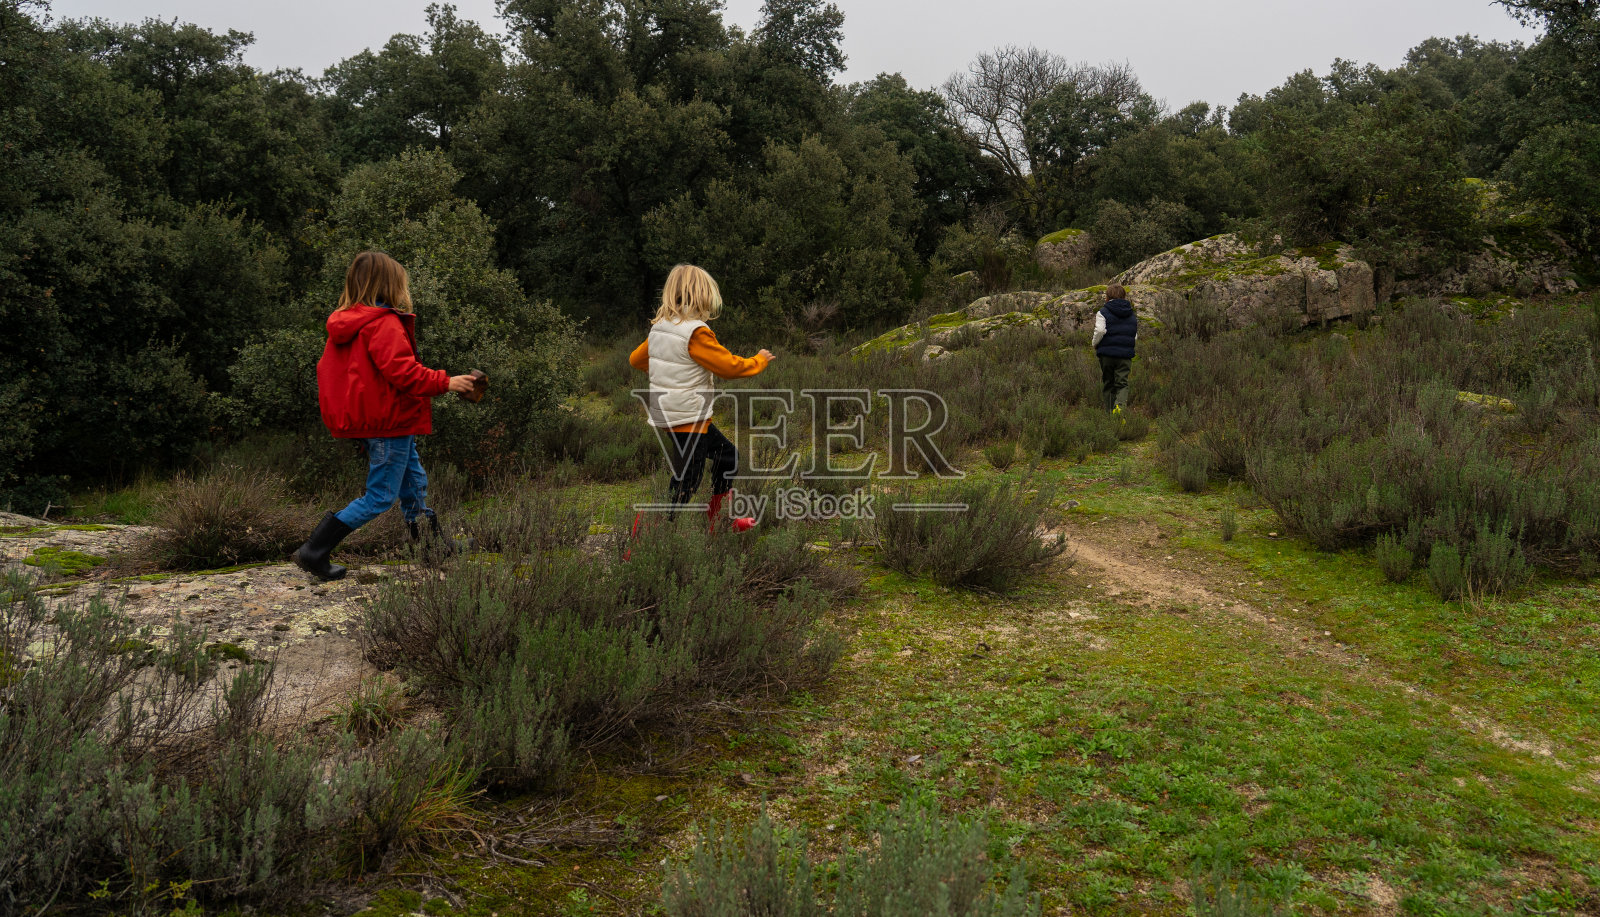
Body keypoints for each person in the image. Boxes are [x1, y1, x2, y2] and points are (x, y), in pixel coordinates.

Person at [291, 250, 480, 581]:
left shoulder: (350, 323)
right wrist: (446, 382)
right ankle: (314, 550)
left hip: (382, 421)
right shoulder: (383, 323)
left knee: (414, 483)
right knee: (379, 497)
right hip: (388, 422)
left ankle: (431, 547)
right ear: (390, 285)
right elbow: (403, 373)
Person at [629, 264, 774, 532]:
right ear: (702, 295)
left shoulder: (661, 328)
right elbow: (729, 367)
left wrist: (667, 369)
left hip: (674, 415)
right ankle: (646, 533)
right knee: (687, 481)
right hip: (687, 418)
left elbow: (636, 360)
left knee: (728, 457)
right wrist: (759, 360)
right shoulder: (695, 332)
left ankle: (718, 522)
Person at [1092, 283, 1137, 414]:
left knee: (1108, 383)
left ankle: (1109, 414)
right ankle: (1119, 410)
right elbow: (1134, 335)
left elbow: (1100, 330)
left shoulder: (1103, 312)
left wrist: (1095, 343)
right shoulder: (1131, 314)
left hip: (1106, 354)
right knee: (1122, 384)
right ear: (1124, 296)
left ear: (1107, 297)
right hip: (1125, 355)